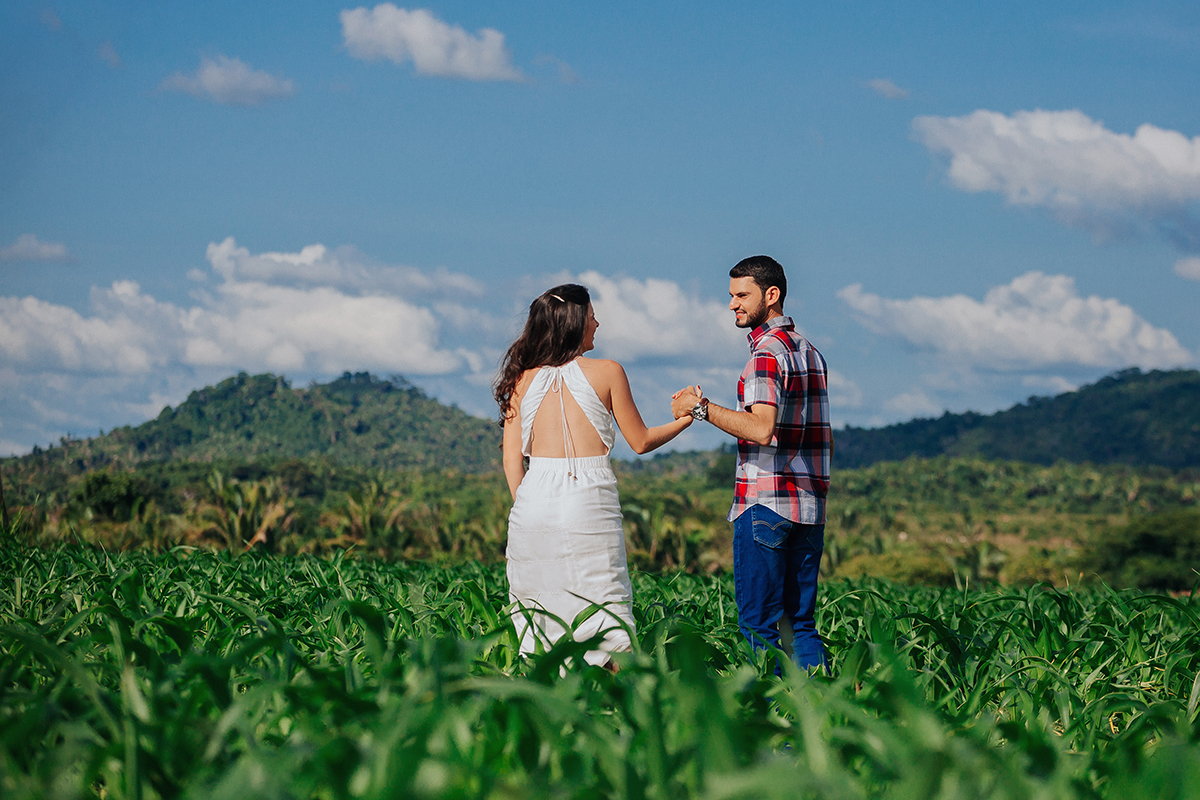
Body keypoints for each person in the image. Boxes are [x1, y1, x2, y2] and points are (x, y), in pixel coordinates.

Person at [495, 283, 693, 668]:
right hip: (588, 497)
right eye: (591, 316)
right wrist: (688, 419)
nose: (597, 324)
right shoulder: (608, 372)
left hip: (533, 501)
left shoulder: (521, 380)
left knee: (540, 611)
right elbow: (641, 441)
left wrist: (531, 503)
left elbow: (511, 461)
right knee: (606, 607)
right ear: (574, 323)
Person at [671, 256, 832, 671]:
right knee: (801, 625)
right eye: (731, 296)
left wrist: (699, 408)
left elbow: (761, 429)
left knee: (759, 627)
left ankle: (776, 724)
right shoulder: (811, 353)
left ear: (771, 295)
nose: (732, 305)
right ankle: (829, 720)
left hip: (766, 505)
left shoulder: (765, 355)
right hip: (809, 509)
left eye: (742, 295)